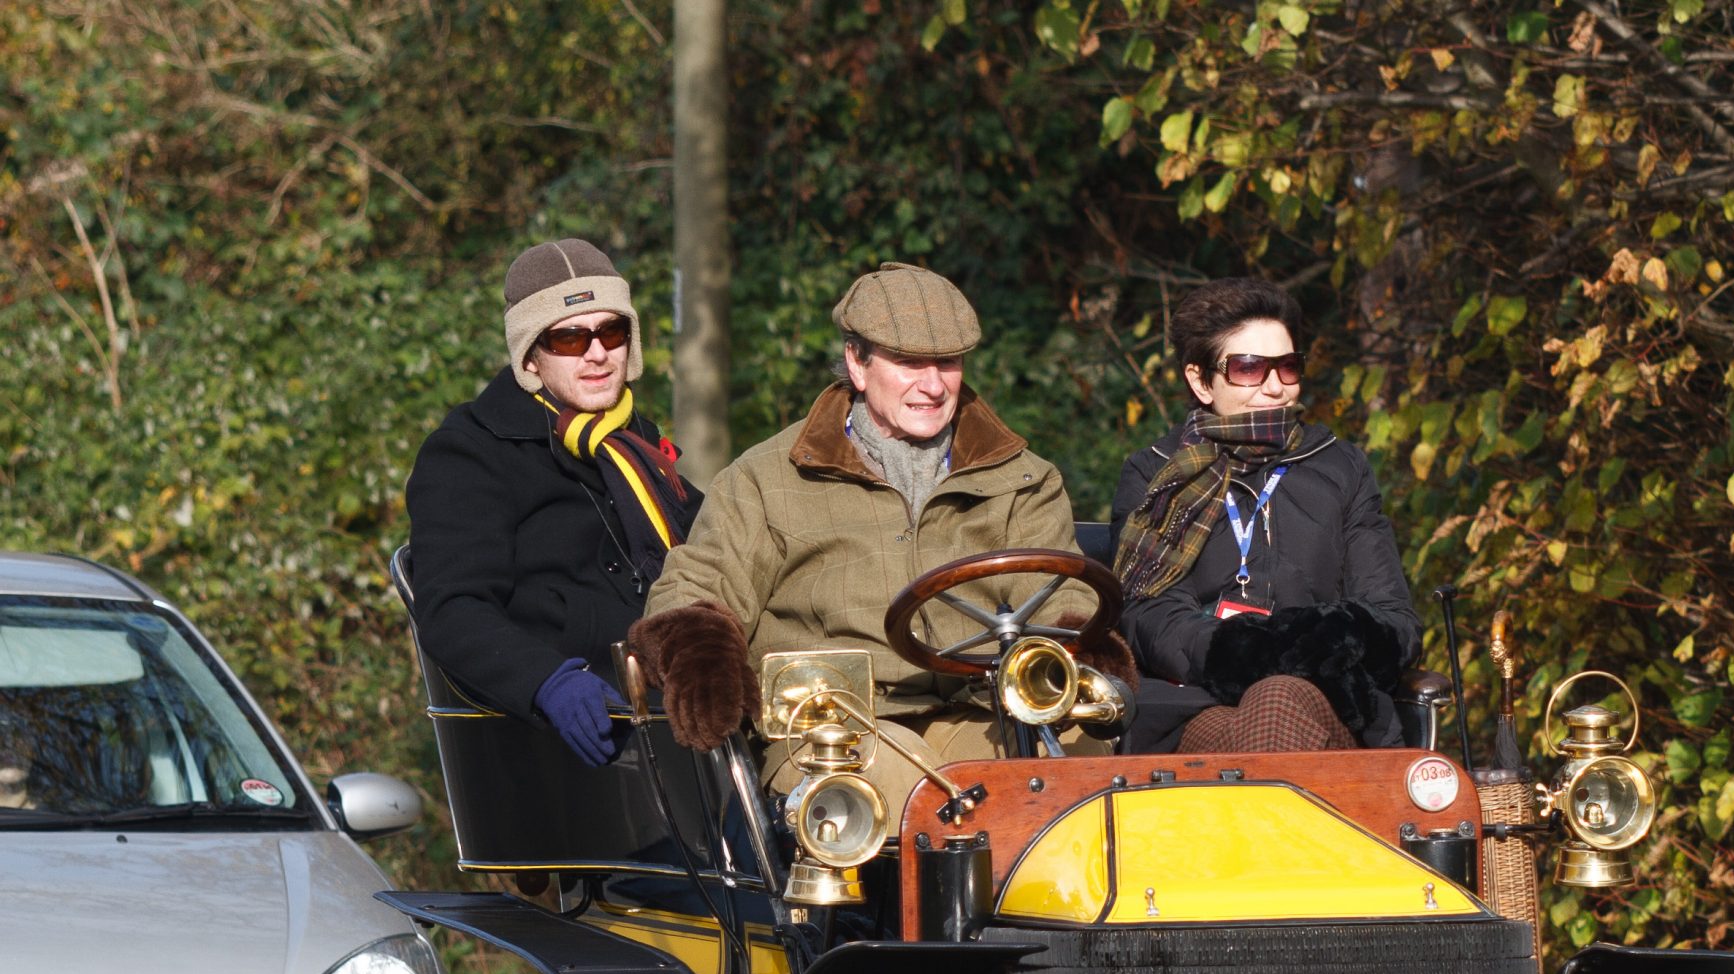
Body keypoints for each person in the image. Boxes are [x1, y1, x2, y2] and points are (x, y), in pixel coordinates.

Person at [631, 263, 1125, 807]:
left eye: (949, 362)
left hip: (982, 709)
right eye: (909, 362)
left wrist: (1080, 645)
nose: (934, 385)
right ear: (857, 363)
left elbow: (1061, 594)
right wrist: (698, 650)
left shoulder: (1022, 478)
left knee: (1079, 773)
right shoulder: (766, 479)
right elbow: (698, 582)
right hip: (833, 721)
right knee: (909, 793)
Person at [404, 238, 700, 766]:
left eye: (612, 332)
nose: (597, 353)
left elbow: (715, 543)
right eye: (569, 338)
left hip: (682, 709)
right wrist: (547, 682)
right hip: (570, 740)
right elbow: (452, 608)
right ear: (531, 357)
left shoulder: (636, 443)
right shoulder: (470, 453)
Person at [1110, 278, 1421, 754]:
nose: (1276, 388)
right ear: (1200, 380)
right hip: (1194, 703)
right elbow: (1148, 616)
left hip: (1328, 703)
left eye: (1288, 367)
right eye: (1249, 368)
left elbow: (1394, 618)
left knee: (1278, 700)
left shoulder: (1340, 466)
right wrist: (1261, 652)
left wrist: (1332, 642)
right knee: (1271, 703)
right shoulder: (1155, 472)